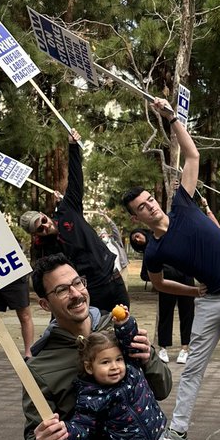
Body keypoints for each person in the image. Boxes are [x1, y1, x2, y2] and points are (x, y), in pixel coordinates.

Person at [122, 98, 220, 440]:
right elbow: (158, 284)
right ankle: (178, 430)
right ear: (137, 219)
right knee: (192, 369)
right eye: (142, 207)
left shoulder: (183, 204)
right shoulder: (154, 250)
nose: (150, 205)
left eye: (149, 199)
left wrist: (171, 117)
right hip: (209, 301)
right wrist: (191, 290)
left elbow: (192, 157)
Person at [23, 253, 179, 440]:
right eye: (62, 290)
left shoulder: (117, 332)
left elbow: (162, 389)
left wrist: (148, 357)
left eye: (77, 283)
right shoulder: (40, 367)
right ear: (45, 304)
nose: (75, 294)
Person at [19, 129, 129, 312]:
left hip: (114, 280)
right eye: (39, 229)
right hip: (90, 291)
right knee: (96, 337)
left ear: (43, 214)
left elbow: (75, 179)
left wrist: (72, 146)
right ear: (35, 234)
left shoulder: (67, 210)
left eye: (43, 220)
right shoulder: (47, 251)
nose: (45, 226)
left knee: (125, 328)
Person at [64, 309, 167, 440]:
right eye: (105, 362)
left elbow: (129, 340)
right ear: (89, 367)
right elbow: (83, 425)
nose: (114, 367)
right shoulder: (91, 397)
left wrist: (123, 322)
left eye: (118, 359)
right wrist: (67, 431)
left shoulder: (131, 368)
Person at [129, 228, 192, 364]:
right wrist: (159, 276)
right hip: (166, 284)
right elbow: (144, 274)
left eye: (138, 236)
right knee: (165, 315)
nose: (138, 239)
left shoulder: (161, 236)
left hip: (185, 277)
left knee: (187, 313)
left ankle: (185, 349)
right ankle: (163, 348)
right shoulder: (148, 252)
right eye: (135, 240)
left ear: (143, 232)